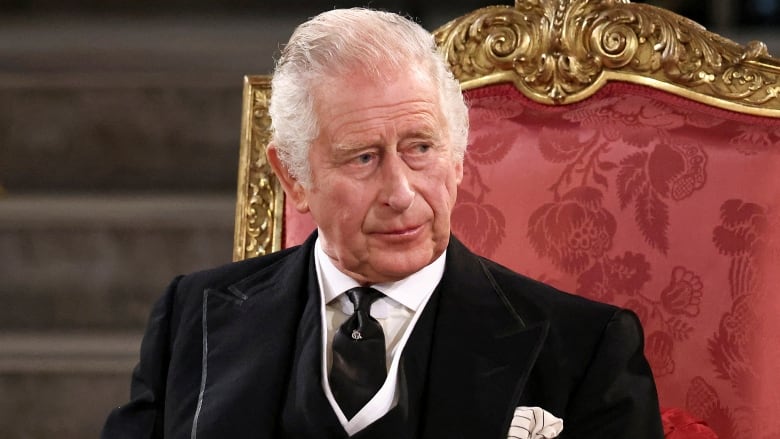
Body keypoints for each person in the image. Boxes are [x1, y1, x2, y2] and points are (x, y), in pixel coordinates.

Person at [101, 8, 664, 439]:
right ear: (293, 176)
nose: (400, 193)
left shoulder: (586, 349)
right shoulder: (191, 317)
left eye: (420, 147)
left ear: (460, 156)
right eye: (363, 157)